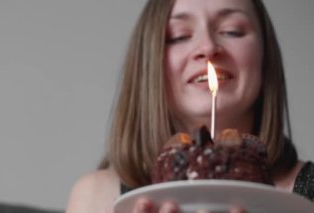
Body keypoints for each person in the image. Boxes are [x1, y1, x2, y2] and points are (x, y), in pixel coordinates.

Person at [66, 0, 314, 212]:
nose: (208, 48)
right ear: (149, 63)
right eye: (179, 36)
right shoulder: (97, 198)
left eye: (232, 31)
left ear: (265, 55)